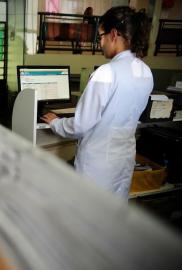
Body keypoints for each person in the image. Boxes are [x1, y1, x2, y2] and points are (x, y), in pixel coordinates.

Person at [41, 6, 152, 199]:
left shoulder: (106, 73)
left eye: (101, 36)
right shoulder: (145, 72)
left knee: (88, 218)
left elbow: (81, 125)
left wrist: (55, 122)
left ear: (114, 34)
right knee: (112, 216)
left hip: (97, 165)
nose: (100, 43)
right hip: (123, 160)